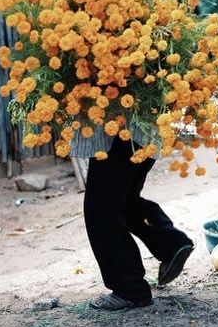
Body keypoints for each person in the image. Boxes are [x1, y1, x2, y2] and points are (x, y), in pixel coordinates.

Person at [71, 128, 194, 310]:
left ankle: (129, 289)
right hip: (142, 129)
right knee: (123, 200)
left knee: (101, 208)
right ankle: (171, 244)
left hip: (121, 131)